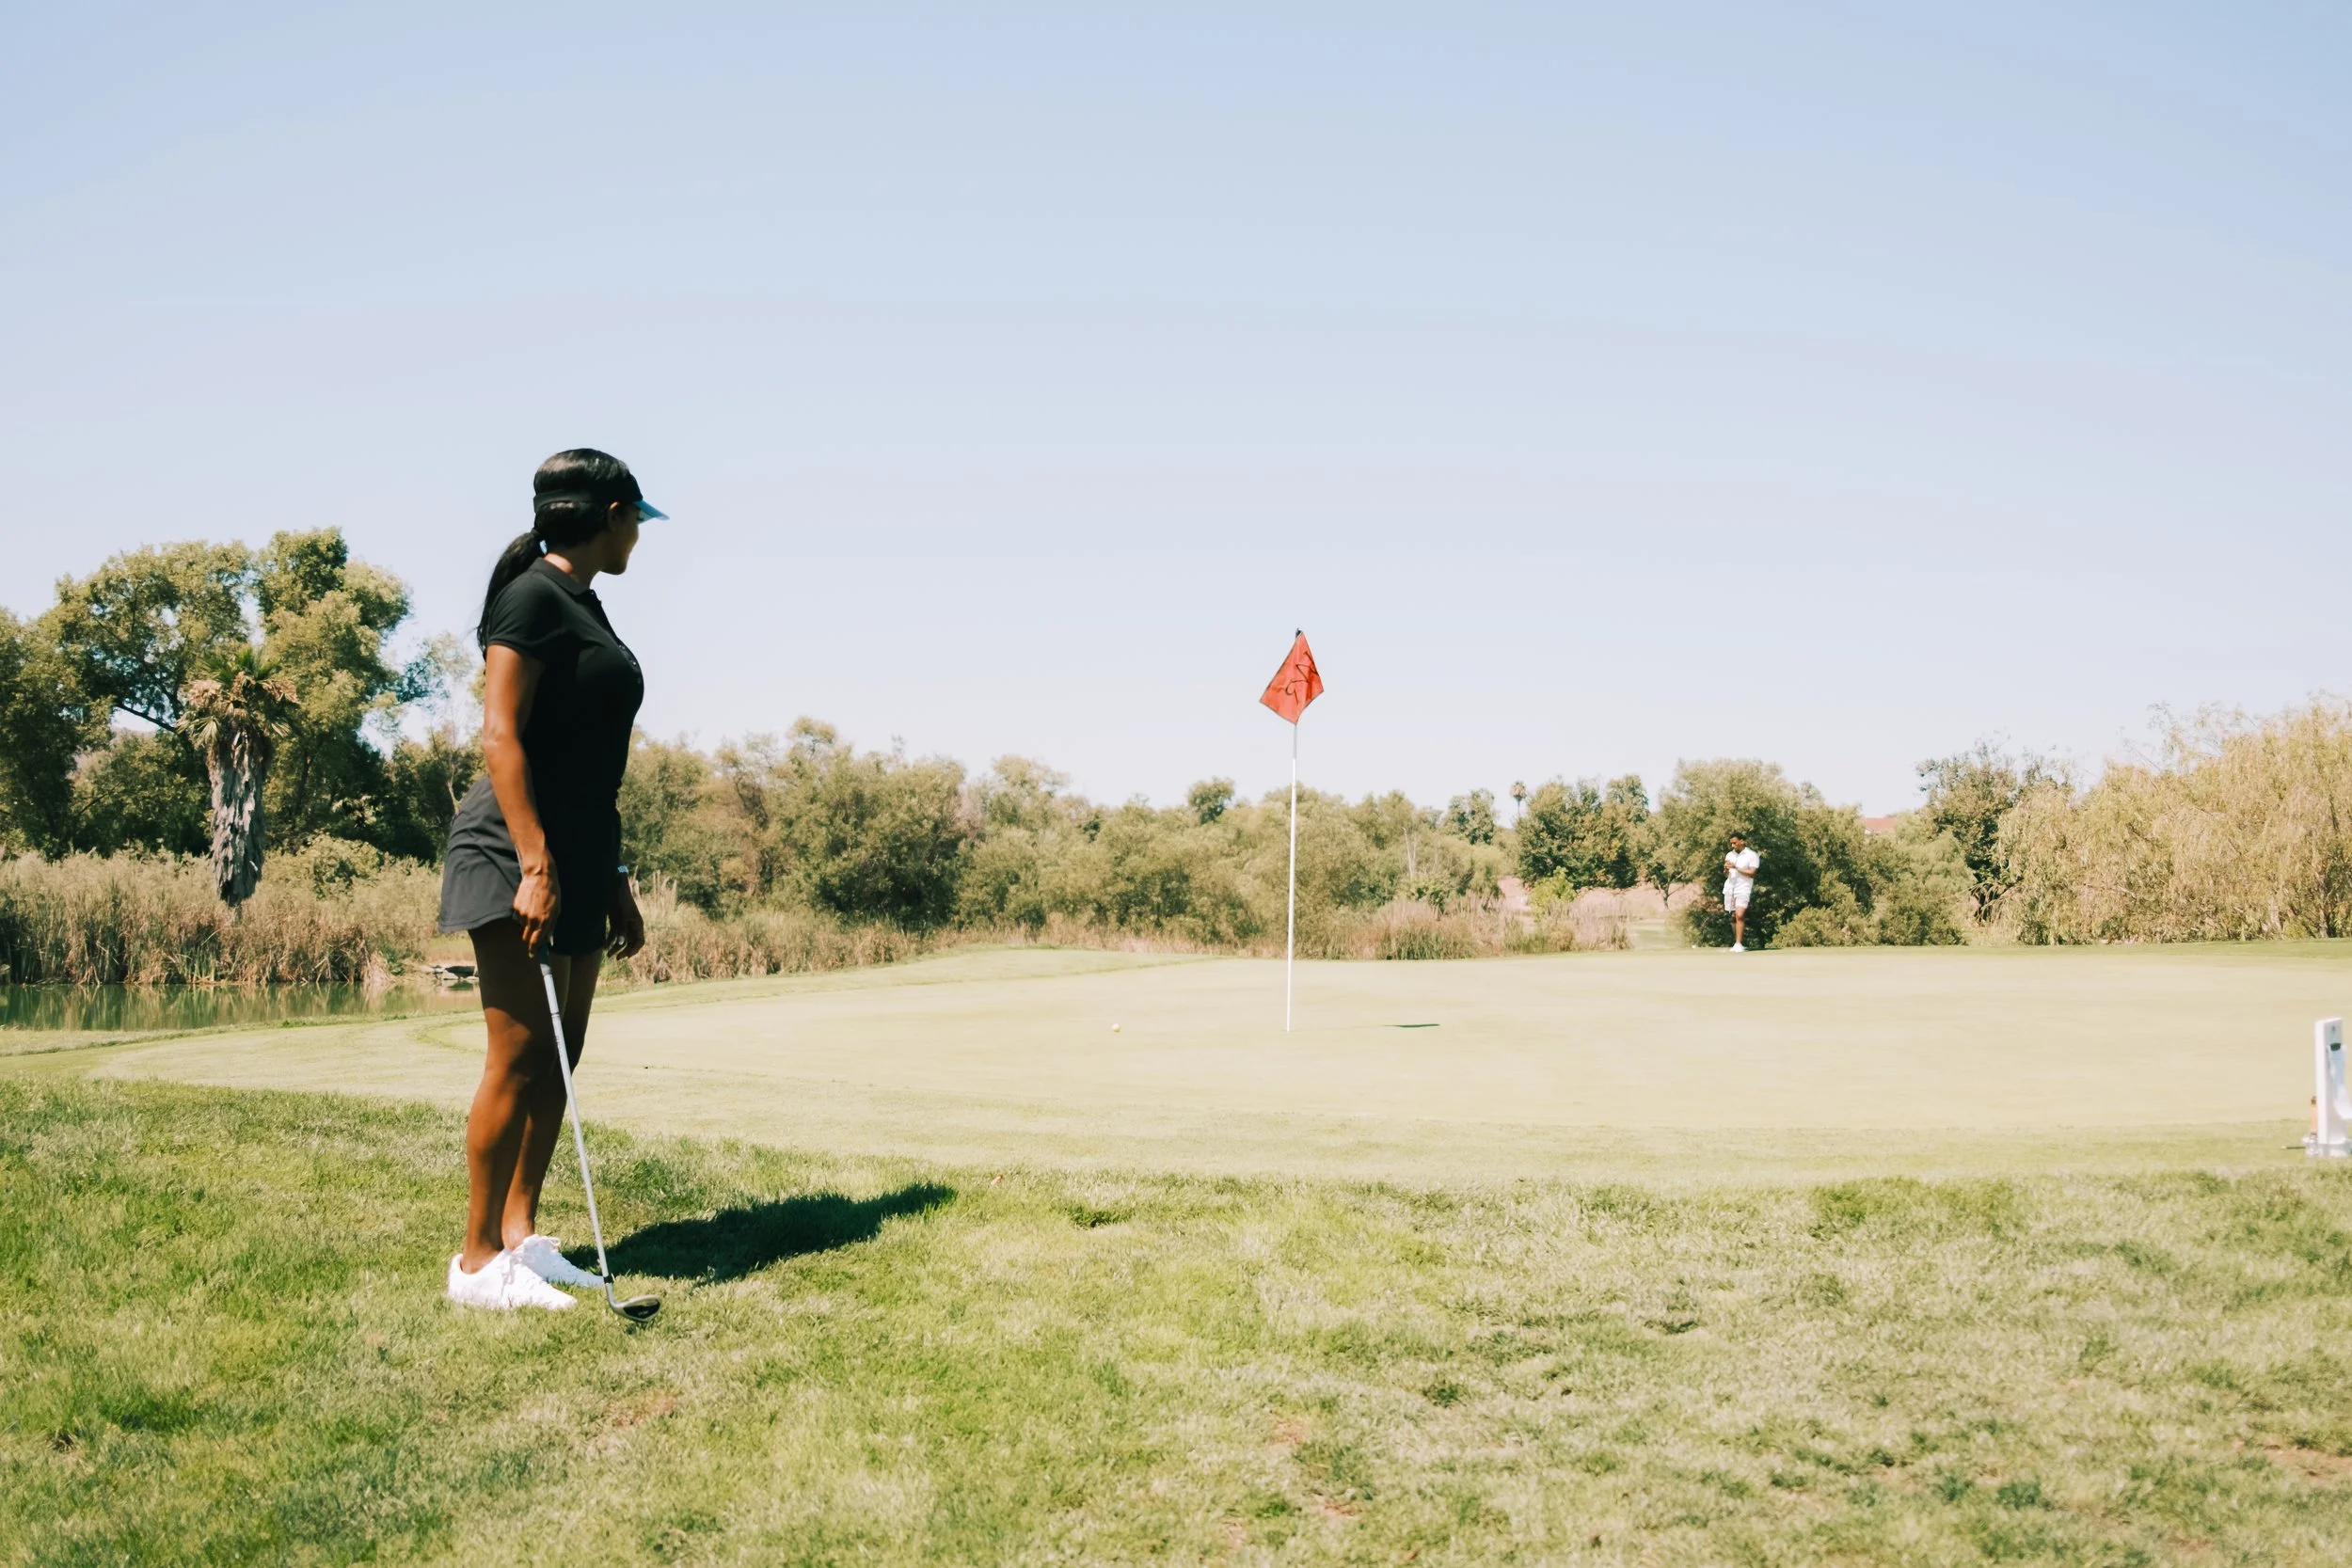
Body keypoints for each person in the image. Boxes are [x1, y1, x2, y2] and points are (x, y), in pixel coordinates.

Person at [437, 449, 660, 1309]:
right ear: (611, 515)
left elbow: (591, 765)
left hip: (580, 855)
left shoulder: (585, 604)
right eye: (636, 520)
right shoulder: (531, 596)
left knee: (561, 1056)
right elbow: (501, 735)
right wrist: (535, 865)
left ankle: (520, 1239)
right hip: (513, 849)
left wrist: (613, 874)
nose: (639, 536)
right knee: (523, 1052)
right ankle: (475, 1263)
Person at [1723, 833, 1760, 952]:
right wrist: (1726, 869)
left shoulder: (1752, 855)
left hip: (1743, 888)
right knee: (1733, 917)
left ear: (1742, 841)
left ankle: (1739, 943)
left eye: (1735, 843)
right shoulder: (1729, 855)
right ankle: (1736, 943)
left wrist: (1736, 867)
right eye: (1731, 843)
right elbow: (1726, 874)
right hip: (1730, 888)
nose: (1733, 846)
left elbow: (1752, 873)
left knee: (1740, 915)